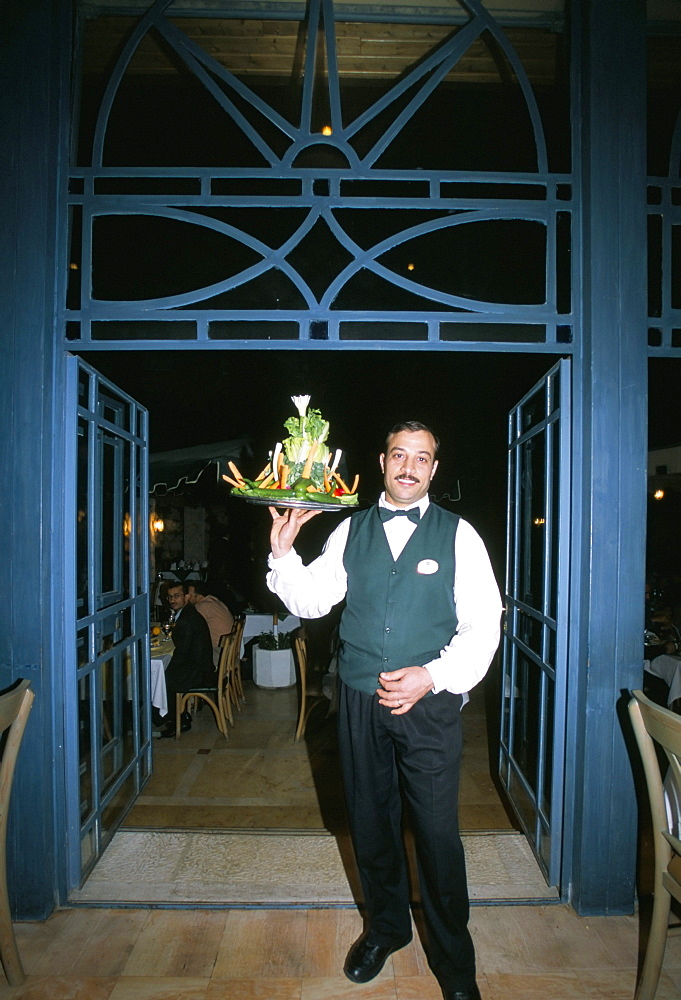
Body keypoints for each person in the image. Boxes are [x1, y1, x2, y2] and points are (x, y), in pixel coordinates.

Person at [266, 421, 502, 1000]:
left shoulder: (460, 535)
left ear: (433, 470)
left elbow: (483, 624)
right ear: (382, 461)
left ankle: (454, 962)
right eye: (400, 454)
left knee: (438, 835)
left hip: (430, 706)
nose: (409, 466)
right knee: (370, 824)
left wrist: (433, 675)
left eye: (421, 458)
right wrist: (284, 553)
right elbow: (312, 599)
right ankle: (388, 928)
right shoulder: (351, 531)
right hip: (357, 698)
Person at [160, 581, 215, 738]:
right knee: (164, 672)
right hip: (200, 665)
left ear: (186, 596)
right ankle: (179, 715)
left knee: (161, 678)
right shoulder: (186, 613)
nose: (172, 600)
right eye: (170, 597)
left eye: (177, 596)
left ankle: (178, 720)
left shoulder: (186, 620)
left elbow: (181, 656)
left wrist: (165, 669)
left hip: (199, 673)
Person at [187, 581, 235, 666]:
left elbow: (190, 628)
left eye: (189, 595)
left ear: (199, 596)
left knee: (187, 656)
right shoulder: (213, 600)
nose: (186, 597)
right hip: (230, 650)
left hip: (219, 653)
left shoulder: (202, 607)